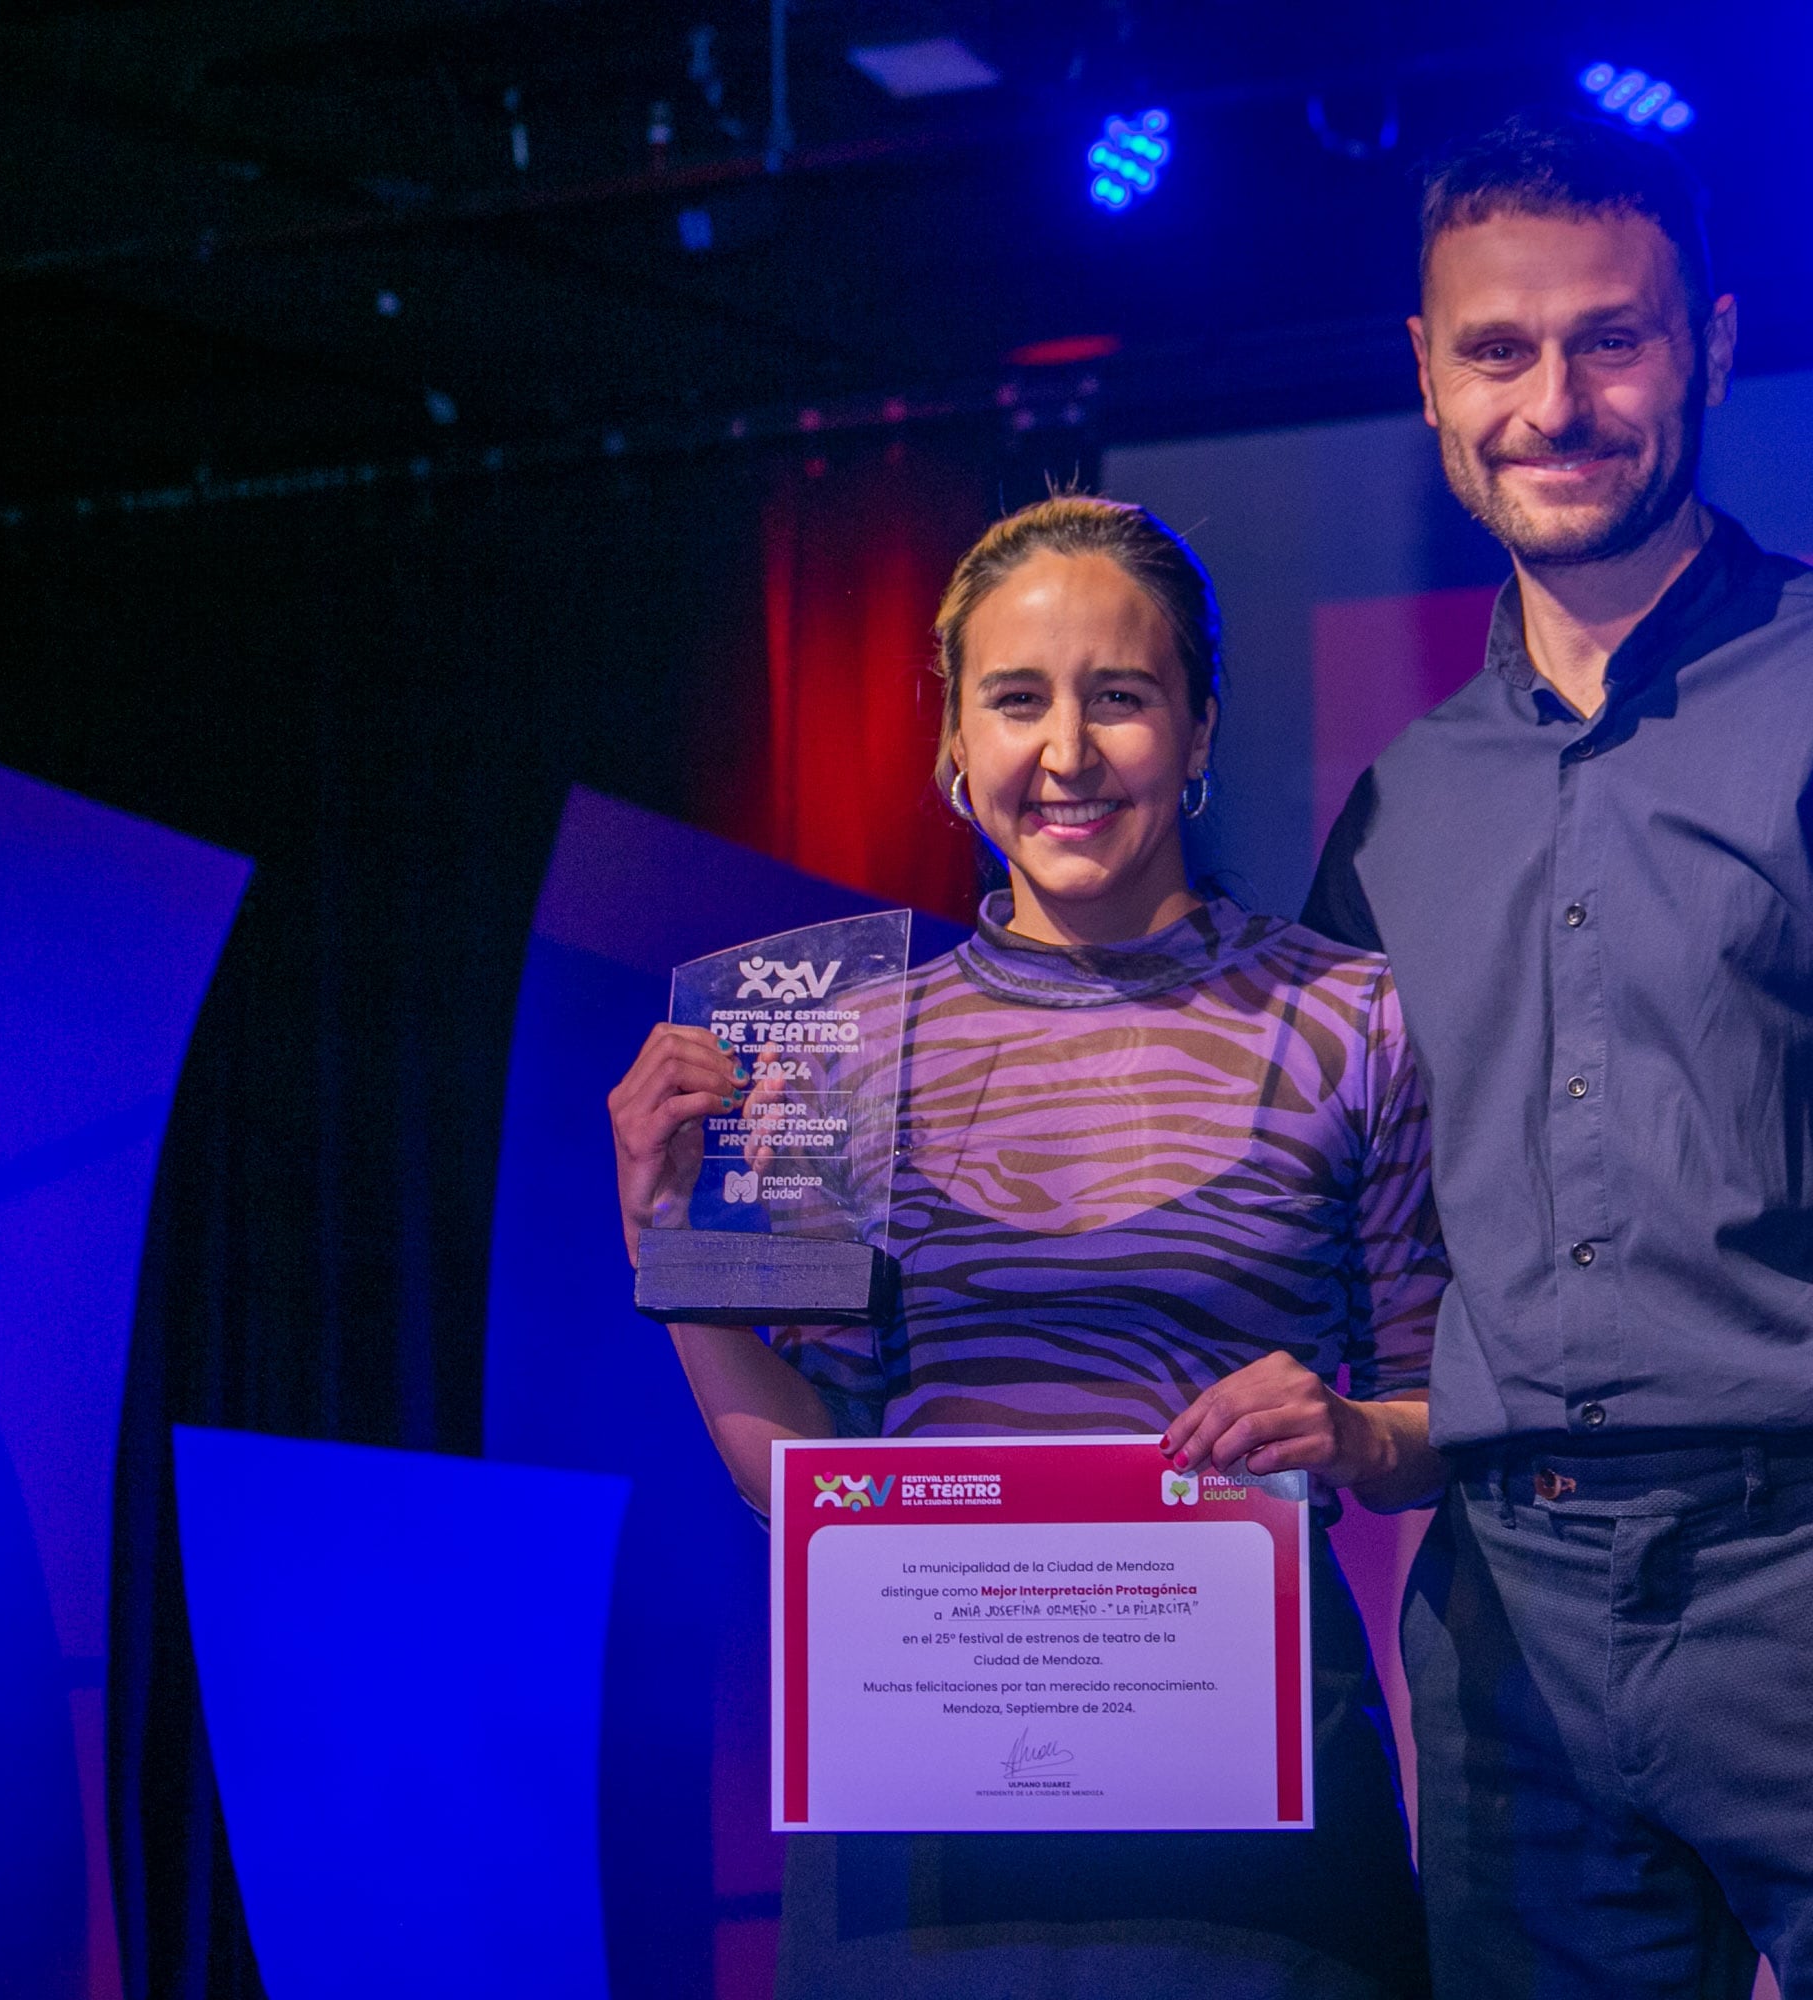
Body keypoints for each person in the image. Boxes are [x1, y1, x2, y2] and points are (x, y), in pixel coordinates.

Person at [1301, 116, 1813, 1997]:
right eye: (1499, 351)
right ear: (1427, 379)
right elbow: (1335, 1235)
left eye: (1613, 338)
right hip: (1506, 1627)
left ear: (1713, 344)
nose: (1557, 399)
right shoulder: (1396, 810)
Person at [609, 496, 1443, 2000]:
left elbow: (1441, 1418)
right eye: (1017, 700)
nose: (1066, 751)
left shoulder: (1353, 1020)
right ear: (953, 747)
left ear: (1197, 732)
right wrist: (671, 1242)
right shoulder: (841, 1047)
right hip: (924, 1829)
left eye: (1119, 696)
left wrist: (1354, 1430)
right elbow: (798, 1486)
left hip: (1253, 1838)